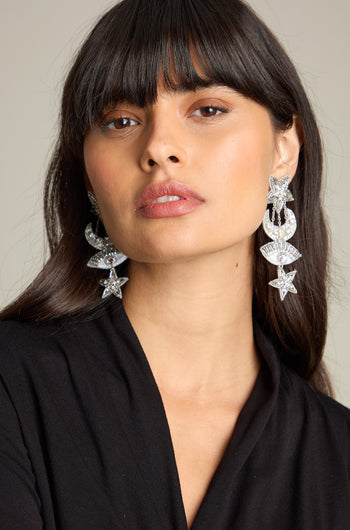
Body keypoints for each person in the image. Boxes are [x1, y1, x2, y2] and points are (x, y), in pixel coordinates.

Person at [0, 0, 349, 528]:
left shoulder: (337, 455)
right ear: (90, 175)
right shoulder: (11, 384)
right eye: (121, 120)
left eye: (207, 110)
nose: (159, 146)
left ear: (284, 148)